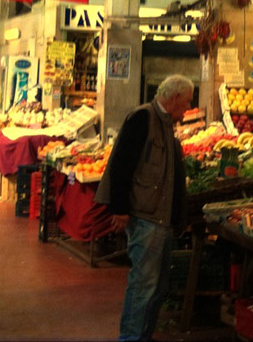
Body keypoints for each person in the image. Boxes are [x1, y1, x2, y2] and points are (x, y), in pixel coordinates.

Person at [96, 75, 193, 342]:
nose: (187, 109)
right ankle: (130, 338)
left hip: (160, 221)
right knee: (143, 286)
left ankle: (143, 335)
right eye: (185, 103)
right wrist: (119, 208)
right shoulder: (143, 118)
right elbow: (120, 165)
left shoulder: (166, 124)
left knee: (157, 287)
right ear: (173, 99)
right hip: (145, 219)